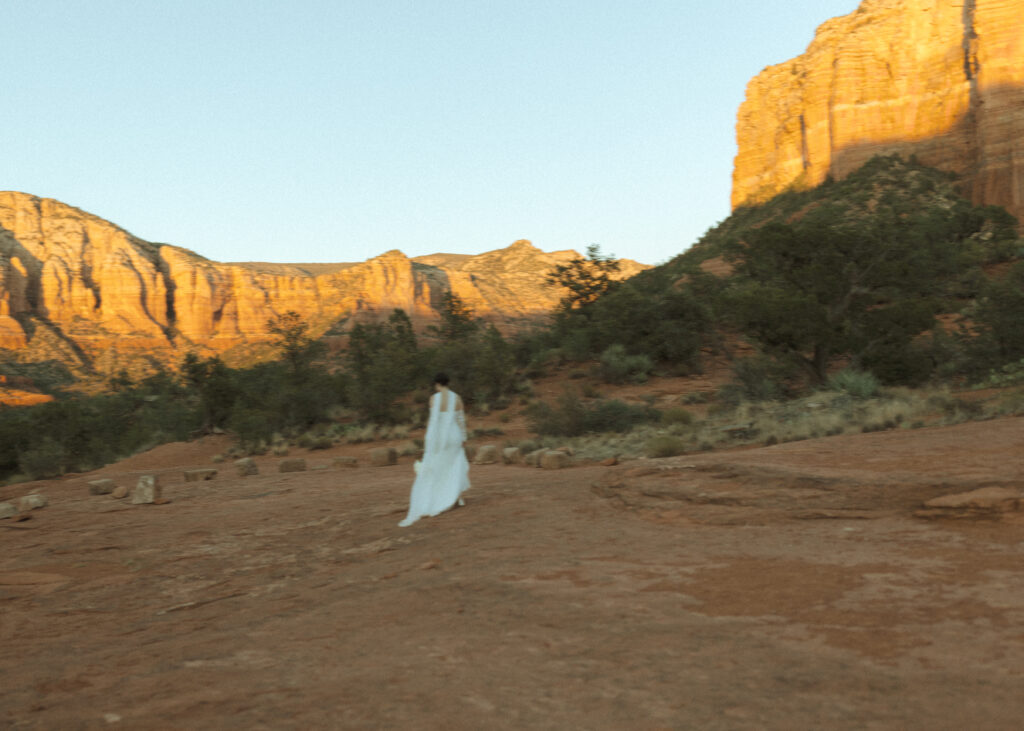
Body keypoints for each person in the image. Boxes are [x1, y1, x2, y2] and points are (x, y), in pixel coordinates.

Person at [398, 373, 470, 527]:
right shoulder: (457, 398)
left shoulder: (433, 399)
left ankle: (443, 497)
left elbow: (433, 423)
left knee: (441, 468)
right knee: (454, 466)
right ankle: (455, 497)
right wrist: (464, 437)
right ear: (448, 383)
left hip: (439, 440)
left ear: (437, 384)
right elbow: (461, 420)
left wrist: (429, 442)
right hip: (454, 436)